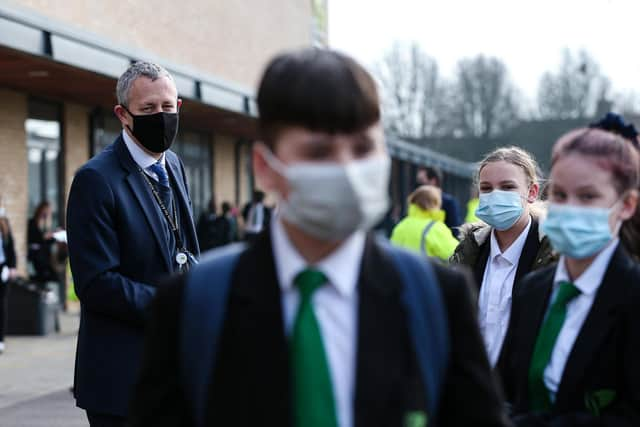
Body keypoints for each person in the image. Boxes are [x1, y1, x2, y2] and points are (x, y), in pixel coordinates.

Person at [129, 48, 509, 427]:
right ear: (265, 168)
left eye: (362, 148)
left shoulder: (437, 297)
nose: (346, 168)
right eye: (319, 152)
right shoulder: (194, 303)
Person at [66, 61, 199, 426]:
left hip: (175, 374)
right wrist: (173, 305)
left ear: (179, 107)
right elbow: (95, 283)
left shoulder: (174, 164)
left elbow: (184, 248)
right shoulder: (95, 180)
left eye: (167, 108)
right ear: (123, 115)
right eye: (148, 109)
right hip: (122, 381)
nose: (161, 116)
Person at [502, 128, 640, 426]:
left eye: (588, 196)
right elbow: (511, 388)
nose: (569, 208)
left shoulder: (632, 296)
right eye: (560, 195)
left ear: (627, 205)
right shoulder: (532, 289)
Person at [450, 147, 556, 382]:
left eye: (508, 187)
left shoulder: (554, 256)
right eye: (486, 188)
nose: (495, 195)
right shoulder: (468, 252)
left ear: (532, 192)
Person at [390, 185, 459, 261]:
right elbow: (458, 255)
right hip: (428, 272)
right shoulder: (436, 228)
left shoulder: (400, 226)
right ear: (435, 204)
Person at [416, 166, 462, 235]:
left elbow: (455, 232)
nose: (418, 184)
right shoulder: (416, 202)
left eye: (421, 180)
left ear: (433, 181)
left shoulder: (449, 203)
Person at [0, 201, 17, 354]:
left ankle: (1, 339)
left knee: (1, 305)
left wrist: (12, 267)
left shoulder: (4, 223)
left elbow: (10, 247)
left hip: (2, 268)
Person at [27, 201, 57, 283]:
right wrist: (44, 237)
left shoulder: (46, 226)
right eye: (45, 213)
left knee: (53, 275)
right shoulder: (32, 223)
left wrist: (53, 237)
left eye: (48, 213)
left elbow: (47, 243)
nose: (46, 215)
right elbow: (33, 239)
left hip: (43, 255)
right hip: (34, 253)